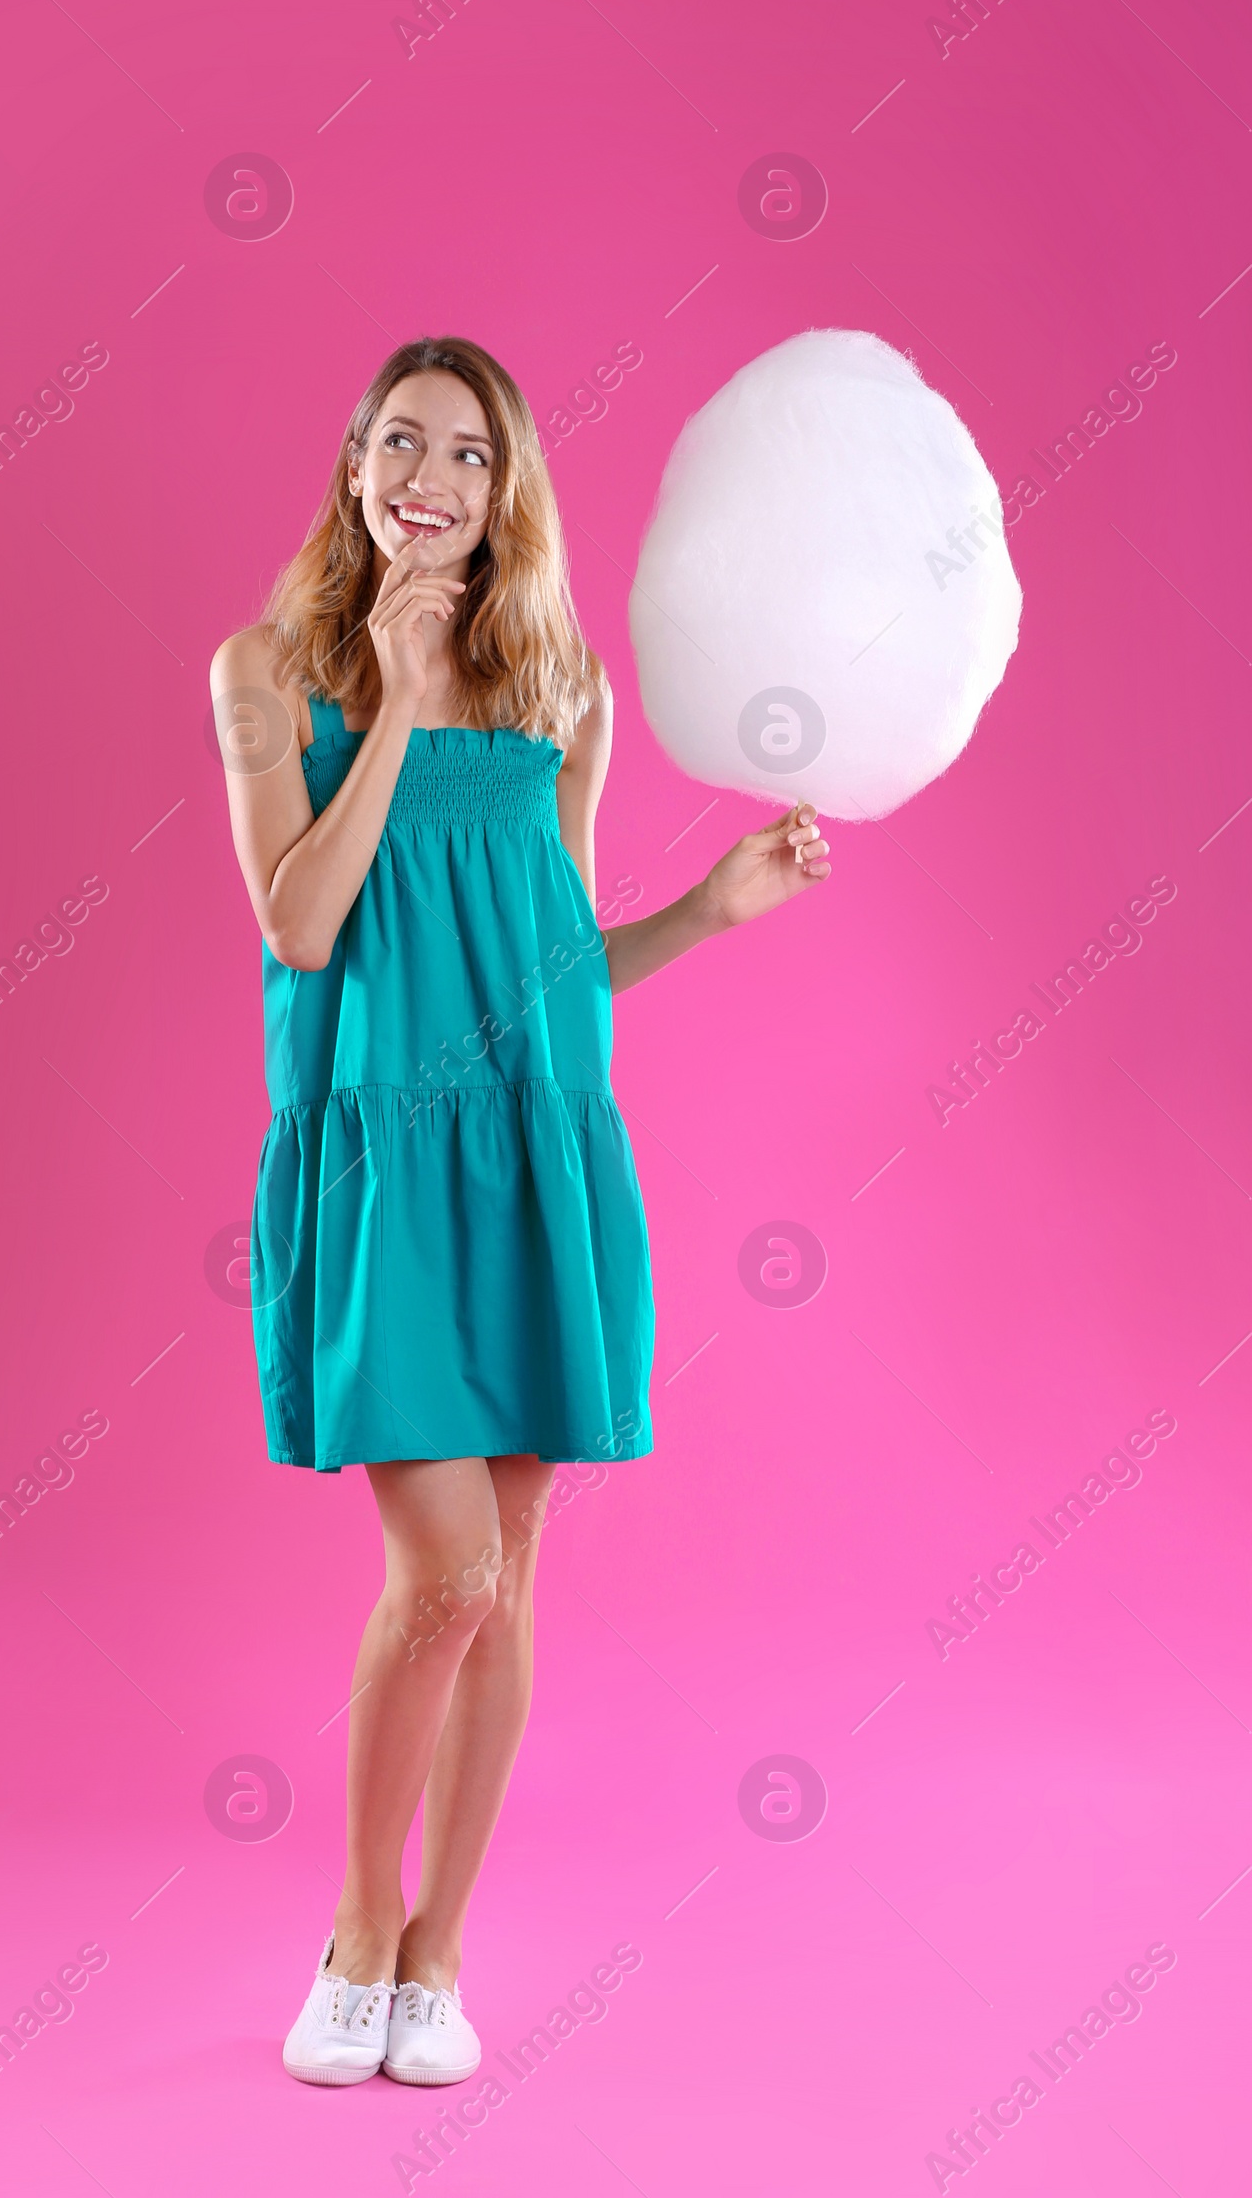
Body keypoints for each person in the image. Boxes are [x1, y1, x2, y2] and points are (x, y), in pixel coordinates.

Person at [209, 336, 830, 2090]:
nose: (432, 477)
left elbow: (553, 975)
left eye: (469, 456)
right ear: (353, 469)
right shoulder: (268, 674)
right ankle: (353, 1927)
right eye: (400, 443)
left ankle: (441, 1953)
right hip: (383, 1167)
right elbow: (302, 928)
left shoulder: (565, 693)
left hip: (538, 1155)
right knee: (449, 1569)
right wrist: (397, 698)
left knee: (517, 1567)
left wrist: (708, 910)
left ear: (508, 489)